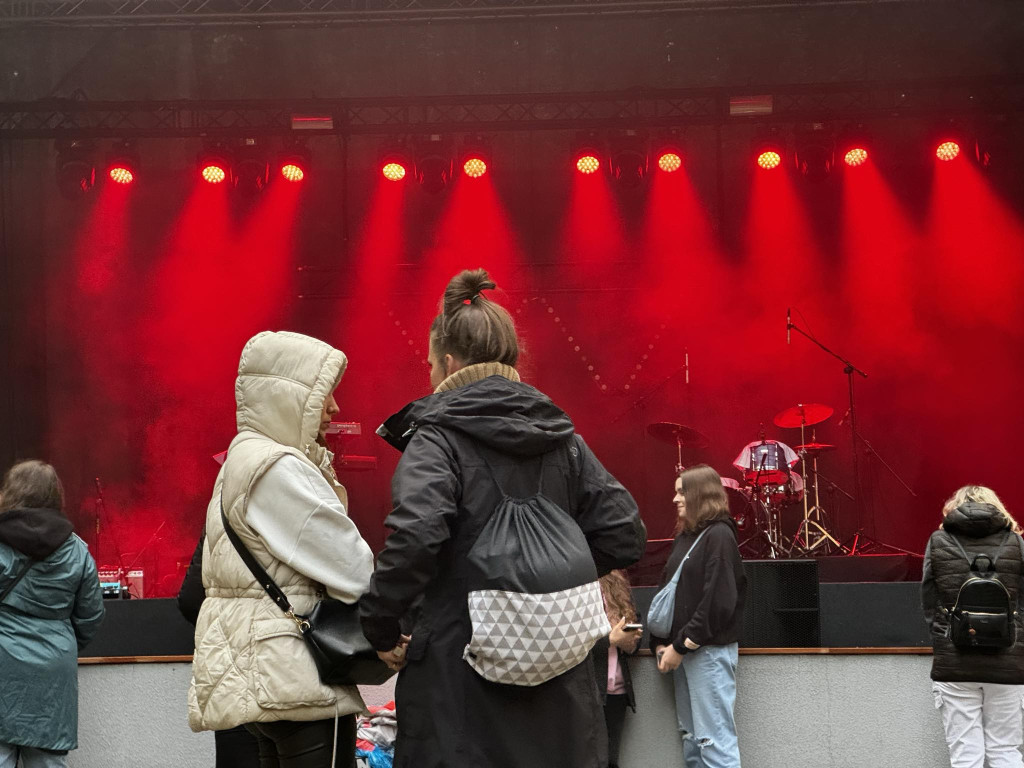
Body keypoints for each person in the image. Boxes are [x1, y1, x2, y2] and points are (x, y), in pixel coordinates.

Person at [359, 268, 647, 768]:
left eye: (430, 366)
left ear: (448, 363)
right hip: (562, 691)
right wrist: (549, 574)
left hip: (458, 684)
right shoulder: (563, 440)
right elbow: (624, 533)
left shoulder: (437, 439)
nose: (429, 376)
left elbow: (414, 537)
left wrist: (381, 629)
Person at [187, 330, 375, 768]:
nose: (335, 407)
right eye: (324, 393)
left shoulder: (242, 459)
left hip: (267, 672)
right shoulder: (279, 467)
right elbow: (355, 569)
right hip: (296, 677)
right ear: (289, 396)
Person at [0, 460, 105, 768]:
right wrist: (60, 641)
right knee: (47, 759)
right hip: (52, 670)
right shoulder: (77, 550)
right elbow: (91, 615)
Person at [921, 485, 1024, 768]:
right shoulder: (1015, 542)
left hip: (956, 662)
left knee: (966, 755)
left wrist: (944, 636)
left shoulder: (939, 540)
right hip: (1009, 661)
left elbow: (929, 598)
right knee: (1005, 751)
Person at [653, 464, 746, 768]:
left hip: (707, 654)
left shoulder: (719, 535)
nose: (674, 499)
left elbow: (719, 601)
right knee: (694, 741)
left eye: (681, 491)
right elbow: (673, 590)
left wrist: (679, 646)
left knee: (714, 745)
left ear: (699, 494)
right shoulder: (689, 536)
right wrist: (662, 642)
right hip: (687, 651)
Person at [591, 570, 641, 768]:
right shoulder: (575, 586)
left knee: (610, 759)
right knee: (590, 758)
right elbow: (567, 643)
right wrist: (610, 640)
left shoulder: (615, 583)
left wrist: (630, 643)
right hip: (589, 689)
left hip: (616, 691)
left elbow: (634, 631)